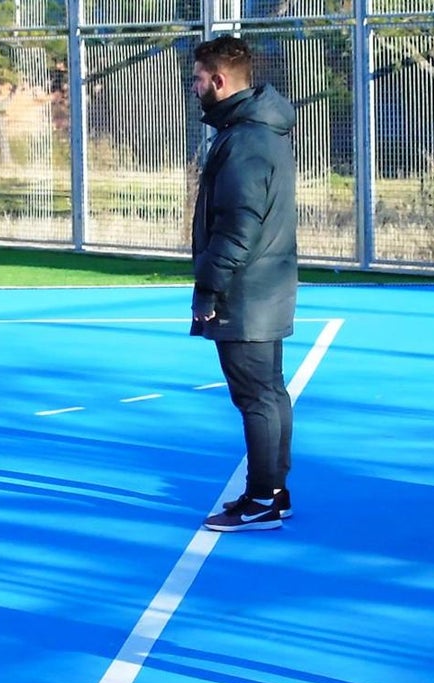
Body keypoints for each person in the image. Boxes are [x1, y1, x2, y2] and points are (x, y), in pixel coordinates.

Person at [189, 35, 299, 533]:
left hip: (247, 292)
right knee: (269, 393)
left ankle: (261, 499)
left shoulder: (247, 139)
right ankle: (272, 492)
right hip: (263, 285)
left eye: (197, 79)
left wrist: (210, 288)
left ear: (220, 80)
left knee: (256, 396)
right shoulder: (258, 130)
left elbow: (239, 224)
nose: (192, 88)